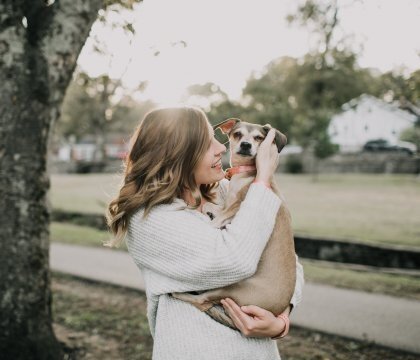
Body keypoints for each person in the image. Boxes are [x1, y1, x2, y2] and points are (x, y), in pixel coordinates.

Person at [105, 106, 304, 360]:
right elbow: (235, 260)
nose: (221, 147)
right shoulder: (149, 219)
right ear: (177, 154)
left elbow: (288, 261)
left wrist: (281, 319)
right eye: (207, 143)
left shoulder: (224, 192)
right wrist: (263, 179)